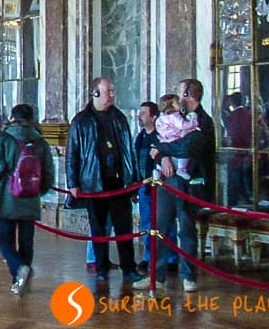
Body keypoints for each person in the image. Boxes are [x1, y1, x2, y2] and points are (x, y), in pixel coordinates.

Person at [66, 77, 143, 284]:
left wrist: (134, 179)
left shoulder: (119, 117)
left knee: (124, 227)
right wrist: (73, 183)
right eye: (108, 91)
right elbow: (73, 153)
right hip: (94, 182)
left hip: (119, 182)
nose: (112, 95)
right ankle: (101, 267)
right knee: (98, 228)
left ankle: (129, 268)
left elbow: (129, 151)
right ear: (95, 93)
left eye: (112, 91)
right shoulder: (81, 120)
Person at [148, 79, 215, 292]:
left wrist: (162, 150)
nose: (176, 96)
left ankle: (188, 276)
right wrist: (162, 158)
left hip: (189, 183)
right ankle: (156, 277)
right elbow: (156, 140)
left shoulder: (203, 121)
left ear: (187, 94)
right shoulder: (175, 116)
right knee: (159, 227)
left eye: (179, 92)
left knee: (186, 229)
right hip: (168, 180)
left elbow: (186, 147)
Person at [0, 104, 55, 295]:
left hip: (6, 196)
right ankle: (19, 281)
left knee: (4, 240)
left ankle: (19, 269)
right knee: (26, 242)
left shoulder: (5, 138)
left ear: (13, 118)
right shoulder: (40, 141)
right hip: (30, 197)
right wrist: (38, 190)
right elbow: (49, 172)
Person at [133, 101, 172, 270]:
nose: (139, 116)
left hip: (161, 187)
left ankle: (170, 258)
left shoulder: (161, 136)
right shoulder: (140, 137)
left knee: (165, 222)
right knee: (146, 224)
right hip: (144, 186)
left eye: (143, 113)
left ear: (153, 117)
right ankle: (149, 256)